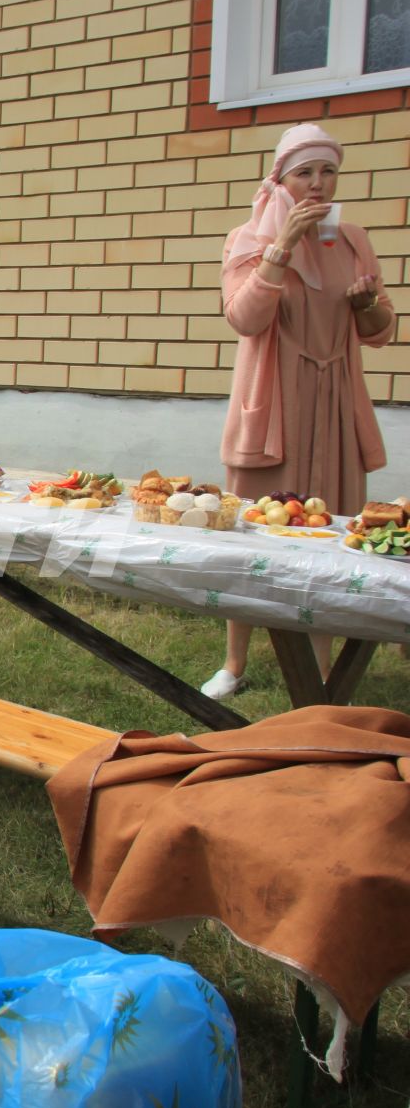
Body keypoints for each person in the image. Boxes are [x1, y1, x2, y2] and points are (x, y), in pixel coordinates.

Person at [203, 124, 396, 700]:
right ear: (280, 179)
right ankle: (234, 665)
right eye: (303, 172)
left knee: (330, 533)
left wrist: (367, 306)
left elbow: (381, 331)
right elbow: (244, 318)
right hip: (273, 405)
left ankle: (319, 669)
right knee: (250, 535)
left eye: (327, 171)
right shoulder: (248, 239)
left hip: (334, 400)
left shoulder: (355, 238)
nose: (317, 184)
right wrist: (280, 249)